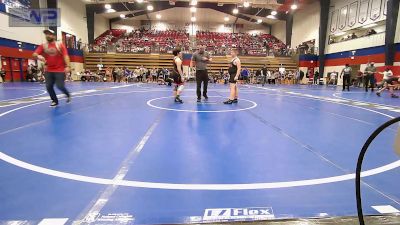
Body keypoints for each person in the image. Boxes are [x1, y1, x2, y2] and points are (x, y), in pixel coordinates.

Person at [33, 29, 71, 107]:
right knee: (48, 86)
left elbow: (66, 56)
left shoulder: (59, 45)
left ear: (54, 36)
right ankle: (54, 101)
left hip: (60, 70)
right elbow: (34, 54)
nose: (48, 35)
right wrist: (39, 56)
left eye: (50, 34)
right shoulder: (43, 46)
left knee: (60, 86)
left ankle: (67, 94)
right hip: (49, 70)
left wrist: (68, 66)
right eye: (46, 34)